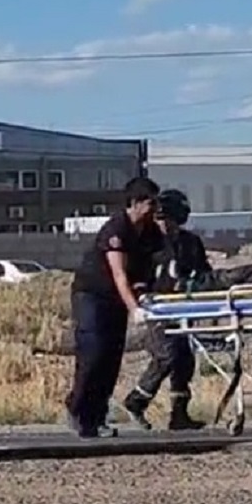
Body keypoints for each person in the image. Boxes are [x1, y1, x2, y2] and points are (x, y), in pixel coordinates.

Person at [68, 176, 162, 438]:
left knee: (111, 358)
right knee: (93, 353)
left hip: (119, 298)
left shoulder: (150, 232)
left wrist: (144, 292)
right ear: (134, 203)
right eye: (149, 202)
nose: (154, 208)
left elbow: (147, 268)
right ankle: (79, 410)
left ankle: (96, 416)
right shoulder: (117, 229)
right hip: (93, 295)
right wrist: (134, 308)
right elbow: (119, 274)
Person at [120, 189, 209, 431]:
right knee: (165, 355)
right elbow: (134, 276)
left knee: (183, 360)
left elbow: (205, 274)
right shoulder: (147, 245)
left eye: (168, 220)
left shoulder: (191, 243)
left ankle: (179, 414)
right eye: (159, 220)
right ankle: (136, 401)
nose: (164, 225)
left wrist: (195, 285)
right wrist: (140, 299)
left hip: (183, 308)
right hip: (156, 308)